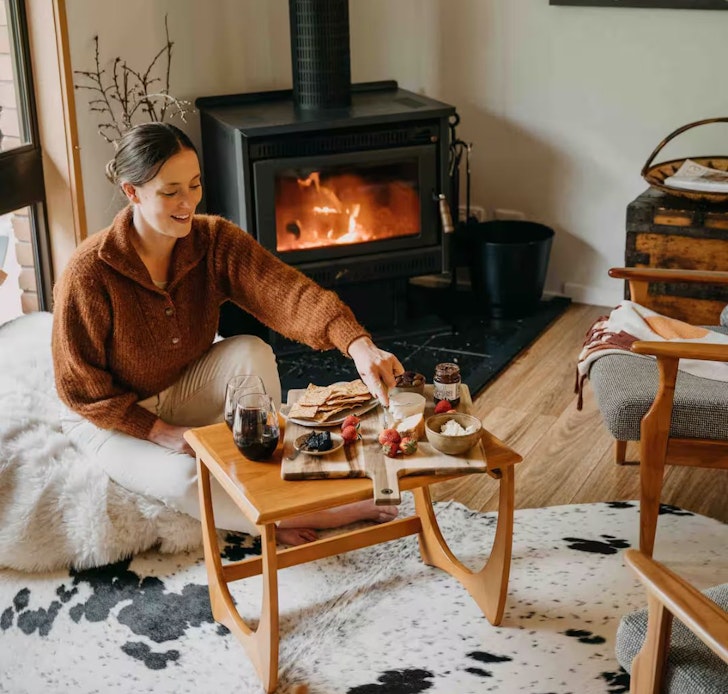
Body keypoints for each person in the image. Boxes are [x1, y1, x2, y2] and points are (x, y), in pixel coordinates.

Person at [52, 122, 404, 546]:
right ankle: (286, 518)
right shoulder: (89, 272)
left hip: (181, 386)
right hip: (110, 419)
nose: (187, 203)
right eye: (170, 192)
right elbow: (80, 390)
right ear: (132, 192)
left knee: (251, 352)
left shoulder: (212, 241)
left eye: (195, 185)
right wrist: (158, 430)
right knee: (187, 477)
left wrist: (358, 345)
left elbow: (286, 293)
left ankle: (278, 484)